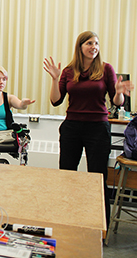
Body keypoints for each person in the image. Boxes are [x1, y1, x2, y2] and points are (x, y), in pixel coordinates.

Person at [43, 31, 134, 228]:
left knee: (97, 177)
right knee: (67, 175)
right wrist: (54, 79)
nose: (94, 47)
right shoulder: (68, 71)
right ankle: (66, 221)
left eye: (97, 44)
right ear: (80, 46)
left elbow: (117, 102)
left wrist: (119, 93)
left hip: (98, 129)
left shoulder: (105, 69)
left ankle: (100, 226)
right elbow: (55, 100)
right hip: (72, 127)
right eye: (89, 43)